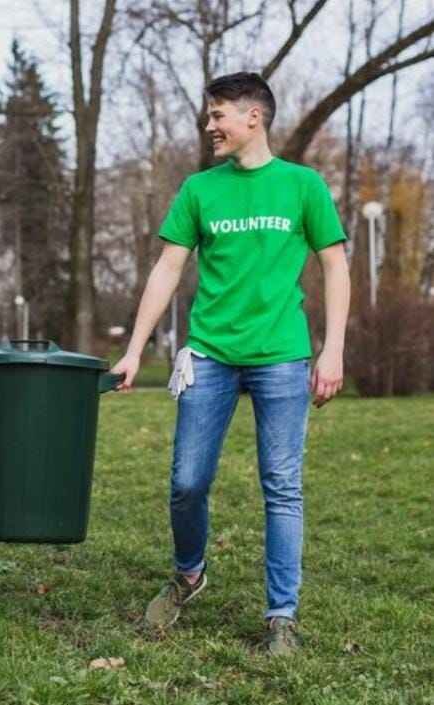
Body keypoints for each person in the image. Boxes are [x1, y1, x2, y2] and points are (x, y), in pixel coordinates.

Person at [110, 72, 350, 656]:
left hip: (282, 356)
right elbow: (168, 268)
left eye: (218, 115)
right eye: (209, 115)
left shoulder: (303, 185)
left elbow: (335, 266)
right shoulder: (199, 189)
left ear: (253, 117)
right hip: (209, 355)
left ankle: (281, 616)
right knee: (187, 482)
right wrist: (136, 347)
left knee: (282, 487)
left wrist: (333, 348)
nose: (209, 125)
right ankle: (188, 574)